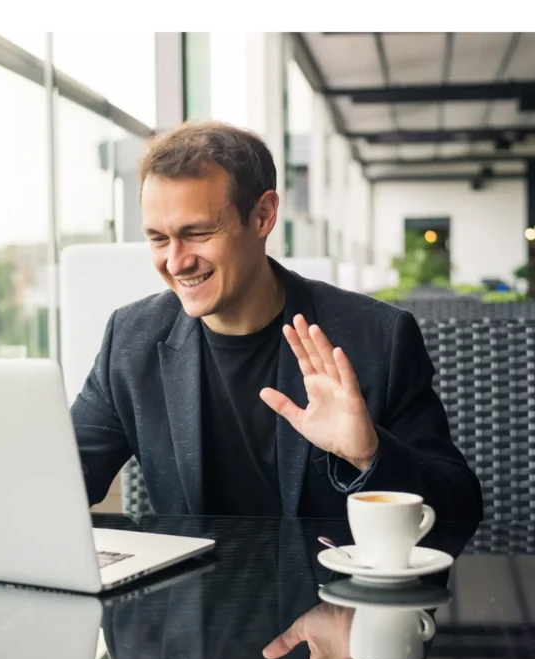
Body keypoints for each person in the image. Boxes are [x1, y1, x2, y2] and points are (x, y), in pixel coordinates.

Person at [69, 120, 483, 521]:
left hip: (332, 590)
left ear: (264, 215)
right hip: (193, 590)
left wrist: (370, 454)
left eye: (198, 233)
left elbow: (460, 509)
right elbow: (63, 481)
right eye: (159, 238)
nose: (176, 262)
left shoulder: (377, 338)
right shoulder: (131, 339)